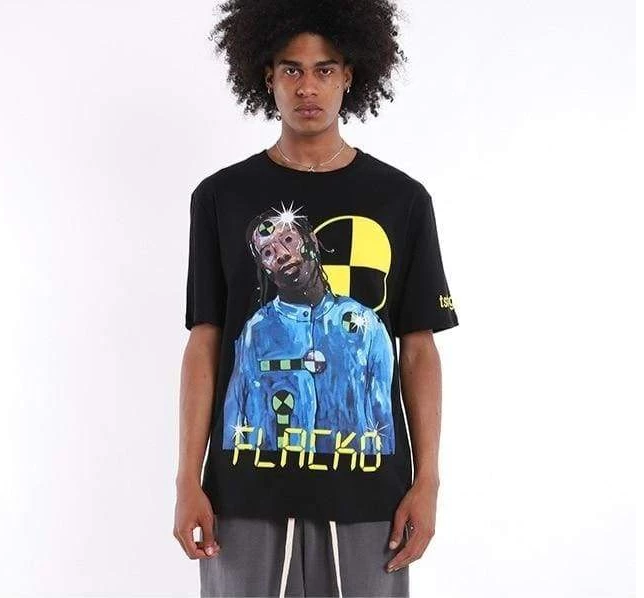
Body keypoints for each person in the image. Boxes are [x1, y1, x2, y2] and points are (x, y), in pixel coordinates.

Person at [173, 1, 459, 596]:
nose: (308, 87)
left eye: (324, 69)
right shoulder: (220, 197)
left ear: (349, 76)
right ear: (267, 77)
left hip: (369, 494)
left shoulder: (402, 199)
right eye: (292, 69)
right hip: (244, 493)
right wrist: (186, 478)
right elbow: (205, 342)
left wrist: (427, 480)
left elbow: (418, 350)